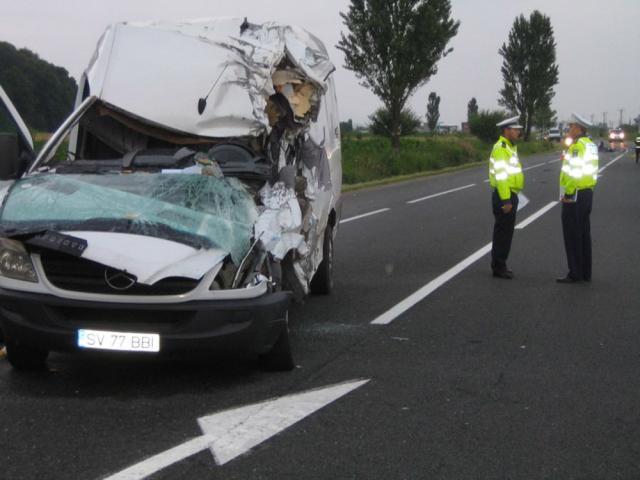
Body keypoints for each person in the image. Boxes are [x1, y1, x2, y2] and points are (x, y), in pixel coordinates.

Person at [557, 113, 599, 283]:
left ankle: (575, 272)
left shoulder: (576, 147)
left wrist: (568, 193)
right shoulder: (590, 145)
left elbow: (574, 173)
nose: (568, 129)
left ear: (578, 128)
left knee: (572, 235)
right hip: (587, 192)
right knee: (584, 234)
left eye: (570, 126)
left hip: (575, 195)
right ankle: (585, 272)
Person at [489, 116, 524, 279]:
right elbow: (501, 176)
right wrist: (506, 200)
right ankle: (498, 266)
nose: (518, 132)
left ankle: (500, 263)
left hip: (510, 193)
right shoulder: (501, 148)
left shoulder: (509, 147)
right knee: (503, 232)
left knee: (506, 232)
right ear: (506, 130)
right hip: (505, 195)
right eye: (515, 129)